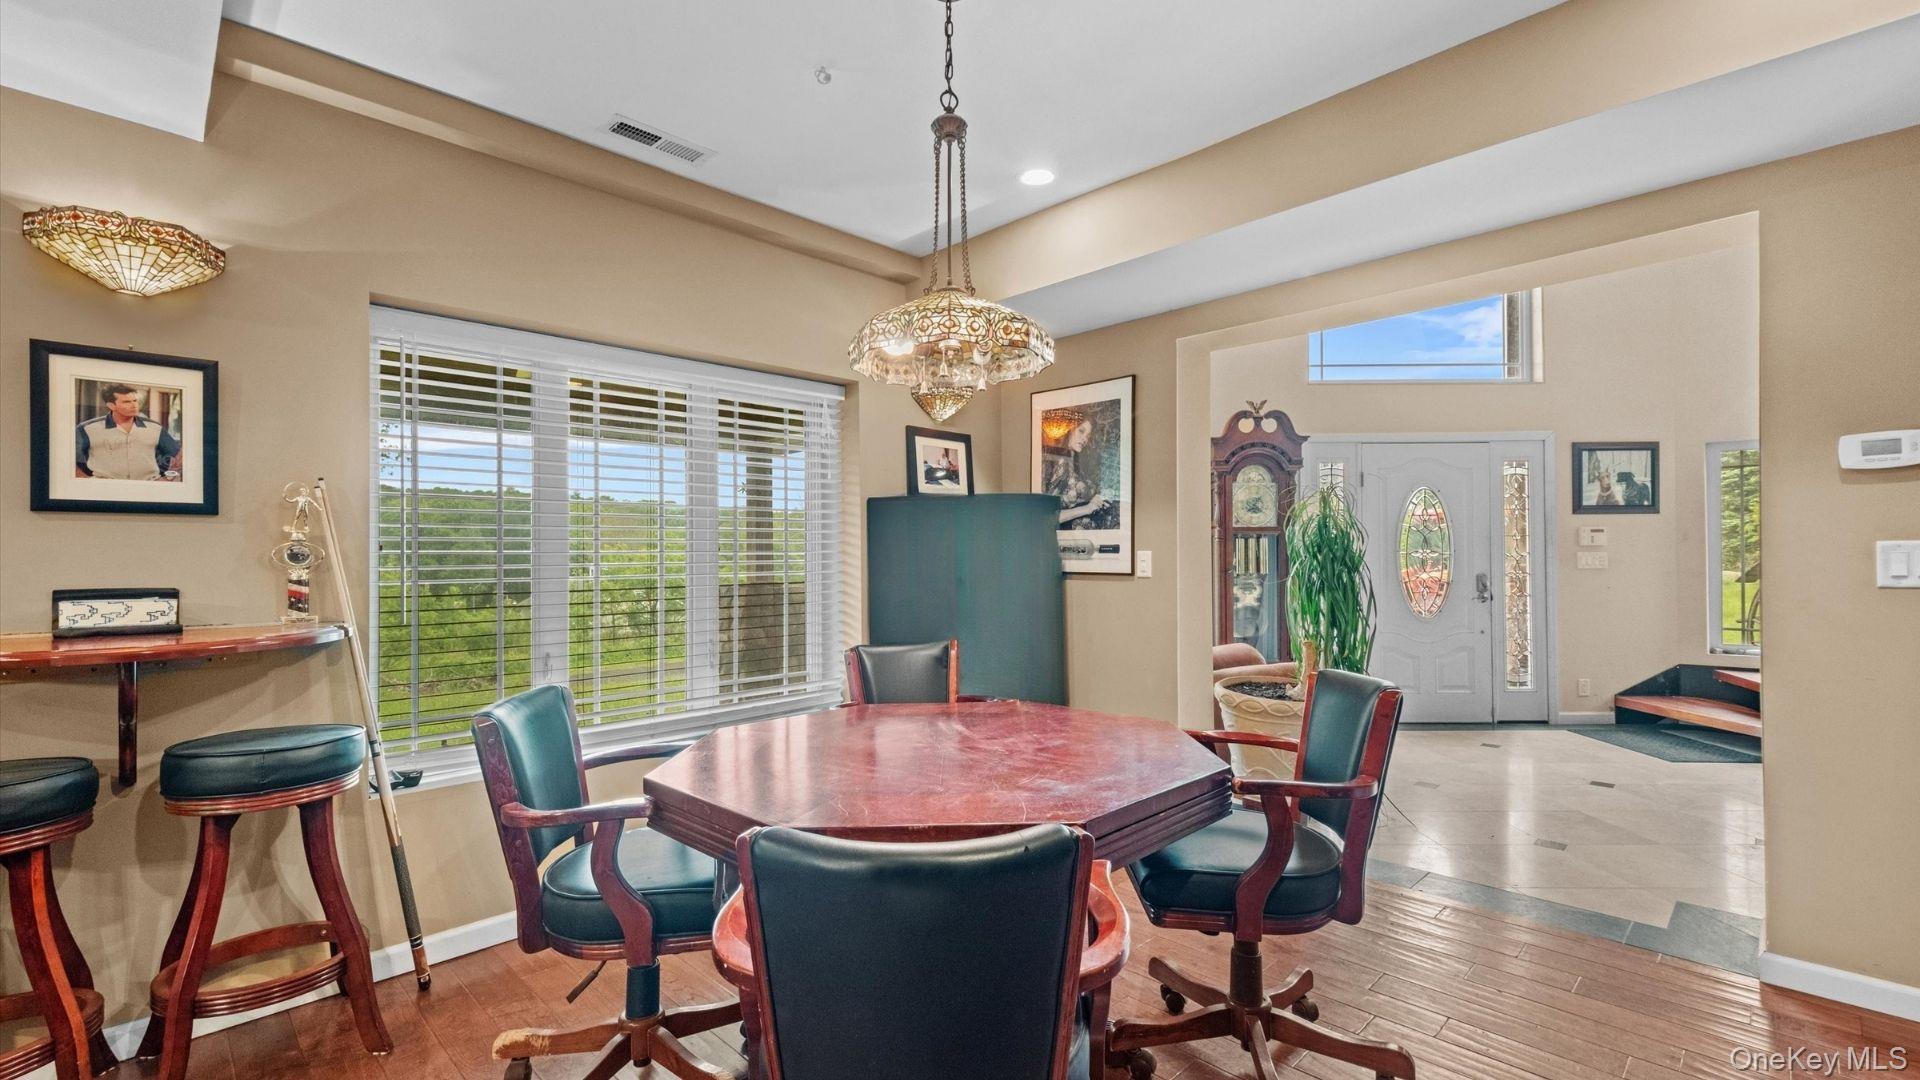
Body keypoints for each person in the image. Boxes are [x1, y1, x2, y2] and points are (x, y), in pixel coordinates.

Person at [75, 384, 181, 481]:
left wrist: (168, 478)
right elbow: (69, 459)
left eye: (135, 401)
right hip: (106, 488)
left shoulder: (155, 428)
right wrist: (84, 481)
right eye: (127, 402)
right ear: (111, 405)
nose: (134, 405)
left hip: (148, 487)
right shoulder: (87, 429)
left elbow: (179, 455)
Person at [1043, 416, 1118, 530]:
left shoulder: (1076, 466)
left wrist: (1100, 499)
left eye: (1088, 436)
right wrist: (1087, 508)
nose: (1084, 439)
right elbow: (1046, 516)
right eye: (1081, 431)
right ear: (1068, 430)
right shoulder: (1060, 462)